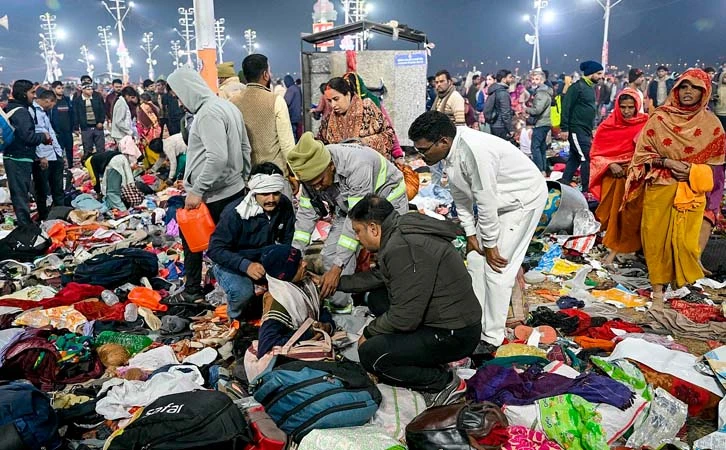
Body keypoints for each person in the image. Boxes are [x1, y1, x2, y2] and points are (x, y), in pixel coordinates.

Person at [408, 111, 547, 346]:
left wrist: (491, 244)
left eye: (424, 150)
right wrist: (471, 234)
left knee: (498, 268)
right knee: (474, 261)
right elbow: (460, 196)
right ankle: (475, 325)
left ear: (443, 141)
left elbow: (485, 200)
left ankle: (492, 337)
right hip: (496, 204)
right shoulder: (448, 153)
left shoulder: (474, 151)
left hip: (522, 200)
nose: (421, 156)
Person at [335, 195, 481, 406]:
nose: (357, 238)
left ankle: (444, 383)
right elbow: (380, 277)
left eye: (358, 231)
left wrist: (368, 333)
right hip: (449, 320)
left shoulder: (402, 247)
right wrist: (337, 283)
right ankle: (424, 358)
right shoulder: (400, 229)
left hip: (455, 333)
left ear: (374, 229)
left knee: (371, 354)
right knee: (378, 299)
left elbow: (405, 317)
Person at [624, 69, 725, 310]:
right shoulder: (660, 118)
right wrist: (667, 162)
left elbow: (717, 167)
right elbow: (642, 154)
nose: (688, 91)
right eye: (684, 86)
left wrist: (691, 170)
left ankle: (677, 286)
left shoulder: (712, 125)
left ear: (705, 92)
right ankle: (657, 290)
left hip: (691, 191)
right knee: (655, 239)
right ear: (675, 89)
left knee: (685, 244)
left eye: (695, 87)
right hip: (660, 186)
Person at [288, 132, 409, 310]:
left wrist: (338, 268)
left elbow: (357, 221)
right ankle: (342, 308)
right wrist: (294, 256)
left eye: (320, 181)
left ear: (331, 166)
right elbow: (306, 215)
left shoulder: (357, 165)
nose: (317, 187)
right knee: (330, 256)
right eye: (312, 184)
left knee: (391, 254)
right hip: (348, 207)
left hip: (388, 202)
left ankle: (399, 302)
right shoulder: (311, 176)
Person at [167, 67, 252, 303]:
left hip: (213, 194)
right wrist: (243, 178)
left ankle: (194, 289)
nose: (180, 101)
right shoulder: (226, 106)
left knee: (197, 242)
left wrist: (197, 190)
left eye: (179, 95)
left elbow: (217, 157)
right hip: (233, 188)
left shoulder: (207, 114)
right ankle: (229, 290)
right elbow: (245, 147)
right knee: (228, 244)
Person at [207, 163, 295, 321]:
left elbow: (288, 239)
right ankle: (234, 321)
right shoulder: (235, 213)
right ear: (253, 192)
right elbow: (215, 250)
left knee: (295, 282)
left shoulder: (284, 205)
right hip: (233, 262)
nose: (271, 199)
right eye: (265, 194)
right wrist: (245, 265)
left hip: (264, 261)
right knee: (242, 293)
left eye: (276, 193)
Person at [589, 89, 648, 266]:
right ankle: (615, 247)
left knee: (630, 215)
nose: (627, 111)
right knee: (613, 214)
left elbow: (650, 149)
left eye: (631, 107)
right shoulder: (607, 126)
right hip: (613, 177)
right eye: (623, 107)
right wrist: (610, 164)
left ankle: (628, 249)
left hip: (636, 177)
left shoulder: (646, 124)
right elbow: (596, 153)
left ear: (638, 106)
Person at [230, 54, 296, 195]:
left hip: (246, 180)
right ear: (265, 74)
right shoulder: (276, 100)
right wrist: (294, 174)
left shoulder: (232, 102)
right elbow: (287, 144)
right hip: (275, 177)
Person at [257, 244, 335, 358]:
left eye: (301, 260)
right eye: (298, 265)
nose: (305, 264)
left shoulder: (304, 283)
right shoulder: (280, 303)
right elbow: (265, 347)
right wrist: (309, 333)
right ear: (285, 274)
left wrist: (327, 325)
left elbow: (321, 309)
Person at [3, 80, 50, 226]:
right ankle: (26, 227)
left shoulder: (12, 108)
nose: (34, 96)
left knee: (21, 193)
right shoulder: (21, 112)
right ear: (24, 94)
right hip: (18, 158)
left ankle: (26, 224)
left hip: (16, 156)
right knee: (20, 194)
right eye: (32, 92)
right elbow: (28, 137)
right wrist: (43, 137)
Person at [317, 77, 395, 158]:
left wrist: (364, 143)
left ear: (347, 94)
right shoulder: (329, 120)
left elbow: (389, 135)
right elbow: (321, 144)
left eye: (336, 99)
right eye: (329, 101)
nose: (333, 105)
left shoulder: (368, 109)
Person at [560, 60, 604, 194]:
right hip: (576, 129)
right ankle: (587, 190)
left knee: (574, 158)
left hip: (585, 130)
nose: (601, 76)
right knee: (586, 157)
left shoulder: (590, 88)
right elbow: (566, 107)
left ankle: (564, 183)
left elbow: (591, 109)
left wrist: (593, 127)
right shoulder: (577, 87)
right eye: (599, 73)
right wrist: (564, 128)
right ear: (590, 73)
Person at [31, 89, 65, 220]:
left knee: (57, 187)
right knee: (42, 189)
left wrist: (59, 153)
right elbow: (36, 135)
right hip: (43, 157)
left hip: (54, 155)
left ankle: (60, 214)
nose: (52, 107)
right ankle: (44, 216)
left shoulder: (43, 113)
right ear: (47, 100)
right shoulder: (33, 111)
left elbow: (50, 132)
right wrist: (40, 156)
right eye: (52, 104)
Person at [525, 70, 553, 175]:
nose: (534, 81)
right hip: (544, 122)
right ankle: (543, 169)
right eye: (533, 79)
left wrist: (526, 109)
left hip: (541, 123)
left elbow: (537, 110)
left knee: (535, 147)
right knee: (541, 147)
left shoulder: (541, 93)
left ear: (542, 80)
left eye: (537, 79)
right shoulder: (543, 92)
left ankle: (539, 170)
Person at [73, 82, 106, 160]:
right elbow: (75, 114)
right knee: (87, 150)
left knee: (101, 149)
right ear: (83, 90)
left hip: (97, 127)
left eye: (91, 89)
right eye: (88, 89)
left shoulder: (97, 98)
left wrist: (101, 122)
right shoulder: (78, 101)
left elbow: (102, 110)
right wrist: (76, 128)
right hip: (86, 128)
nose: (90, 91)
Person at [49, 81, 74, 167]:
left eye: (62, 88)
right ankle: (59, 168)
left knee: (69, 150)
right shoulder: (52, 102)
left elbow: (72, 114)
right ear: (53, 89)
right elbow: (49, 117)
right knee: (59, 151)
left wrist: (73, 127)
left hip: (68, 131)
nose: (61, 90)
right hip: (57, 132)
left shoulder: (67, 100)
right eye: (59, 88)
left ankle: (71, 167)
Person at [484, 69, 515, 139]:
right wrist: (510, 129)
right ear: (504, 79)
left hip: (494, 124)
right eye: (510, 77)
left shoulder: (494, 89)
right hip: (501, 126)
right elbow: (505, 113)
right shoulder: (502, 93)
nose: (511, 79)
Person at [284, 75, 303, 141]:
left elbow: (286, 102)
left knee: (292, 135)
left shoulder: (291, 90)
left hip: (292, 116)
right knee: (297, 133)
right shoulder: (297, 88)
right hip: (298, 115)